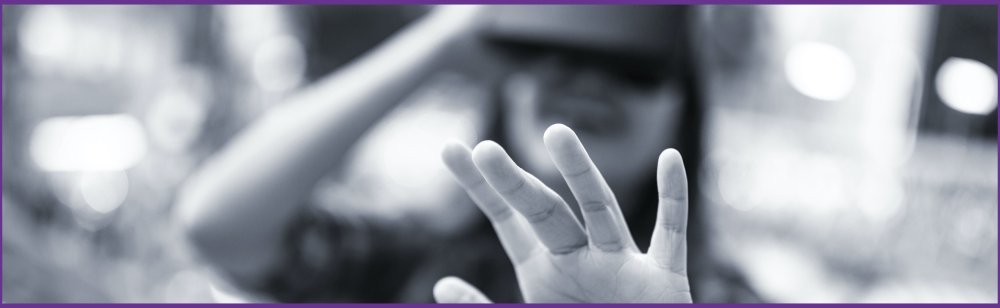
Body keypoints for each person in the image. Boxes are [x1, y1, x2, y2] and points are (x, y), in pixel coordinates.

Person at [176, 5, 754, 303]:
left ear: (685, 110)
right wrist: (441, 43)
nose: (586, 85)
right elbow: (219, 224)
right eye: (552, 58)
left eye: (633, 67)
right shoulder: (412, 261)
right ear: (506, 86)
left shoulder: (721, 298)